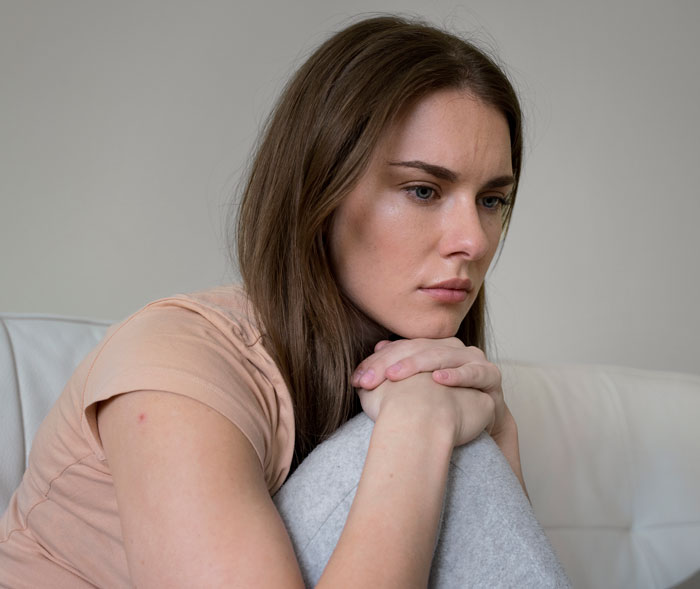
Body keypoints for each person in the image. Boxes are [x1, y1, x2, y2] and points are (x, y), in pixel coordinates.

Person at [0, 15, 568, 587]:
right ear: (320, 191)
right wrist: (418, 428)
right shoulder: (175, 362)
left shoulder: (411, 364)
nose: (472, 239)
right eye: (423, 190)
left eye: (493, 200)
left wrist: (499, 433)